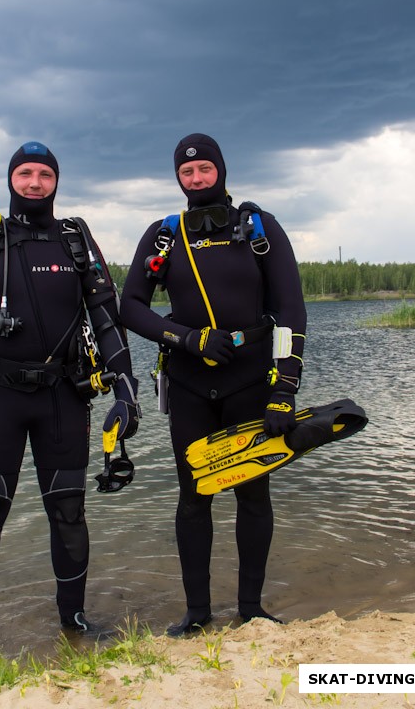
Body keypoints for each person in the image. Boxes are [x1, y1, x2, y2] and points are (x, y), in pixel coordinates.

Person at [0, 141, 139, 657]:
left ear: (56, 181)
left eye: (44, 175)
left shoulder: (76, 240)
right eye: (25, 174)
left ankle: (75, 620)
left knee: (69, 512)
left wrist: (126, 390)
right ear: (11, 179)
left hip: (63, 397)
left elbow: (106, 320)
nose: (34, 183)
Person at [120, 133, 306, 636]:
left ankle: (250, 609)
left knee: (253, 494)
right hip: (189, 384)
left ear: (221, 170)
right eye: (187, 172)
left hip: (251, 380)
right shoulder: (165, 235)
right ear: (177, 179)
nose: (197, 179)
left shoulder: (258, 228)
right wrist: (186, 338)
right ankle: (197, 613)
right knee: (193, 496)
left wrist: (285, 388)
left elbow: (290, 310)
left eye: (205, 169)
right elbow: (130, 306)